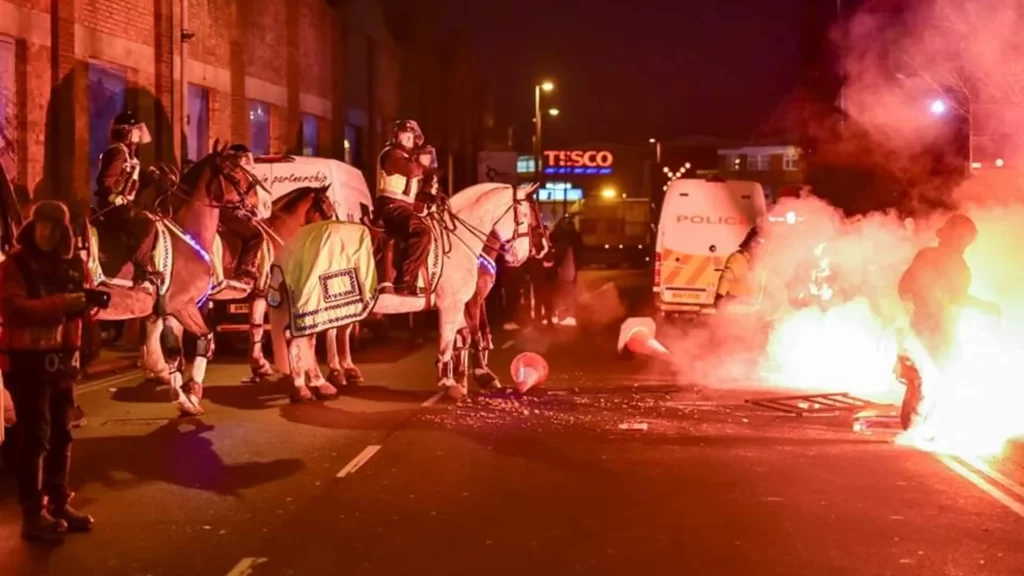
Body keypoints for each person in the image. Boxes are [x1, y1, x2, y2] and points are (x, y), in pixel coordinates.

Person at [0, 201, 104, 542]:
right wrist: (65, 304)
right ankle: (33, 513)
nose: (47, 232)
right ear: (33, 227)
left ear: (63, 233)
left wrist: (89, 331)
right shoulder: (14, 264)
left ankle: (58, 503)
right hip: (27, 362)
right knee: (36, 437)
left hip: (63, 364)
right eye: (42, 225)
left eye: (54, 227)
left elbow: (84, 312)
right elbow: (13, 310)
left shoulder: (73, 264)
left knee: (62, 435)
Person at [93, 111, 162, 287]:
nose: (140, 134)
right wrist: (113, 196)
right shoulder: (117, 152)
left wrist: (153, 178)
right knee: (147, 224)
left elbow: (133, 182)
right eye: (137, 130)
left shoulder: (128, 154)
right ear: (126, 132)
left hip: (124, 205)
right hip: (112, 207)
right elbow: (104, 180)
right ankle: (141, 270)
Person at [376, 120, 431, 295]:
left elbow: (418, 185)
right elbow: (412, 170)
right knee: (422, 232)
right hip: (390, 207)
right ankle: (405, 280)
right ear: (395, 136)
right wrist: (425, 164)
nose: (406, 139)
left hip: (404, 207)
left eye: (410, 136)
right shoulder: (391, 155)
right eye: (403, 134)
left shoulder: (409, 159)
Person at [714, 226, 763, 308]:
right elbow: (726, 278)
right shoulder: (738, 258)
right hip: (736, 304)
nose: (759, 247)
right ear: (750, 243)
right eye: (757, 243)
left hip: (751, 304)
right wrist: (719, 297)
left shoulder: (759, 261)